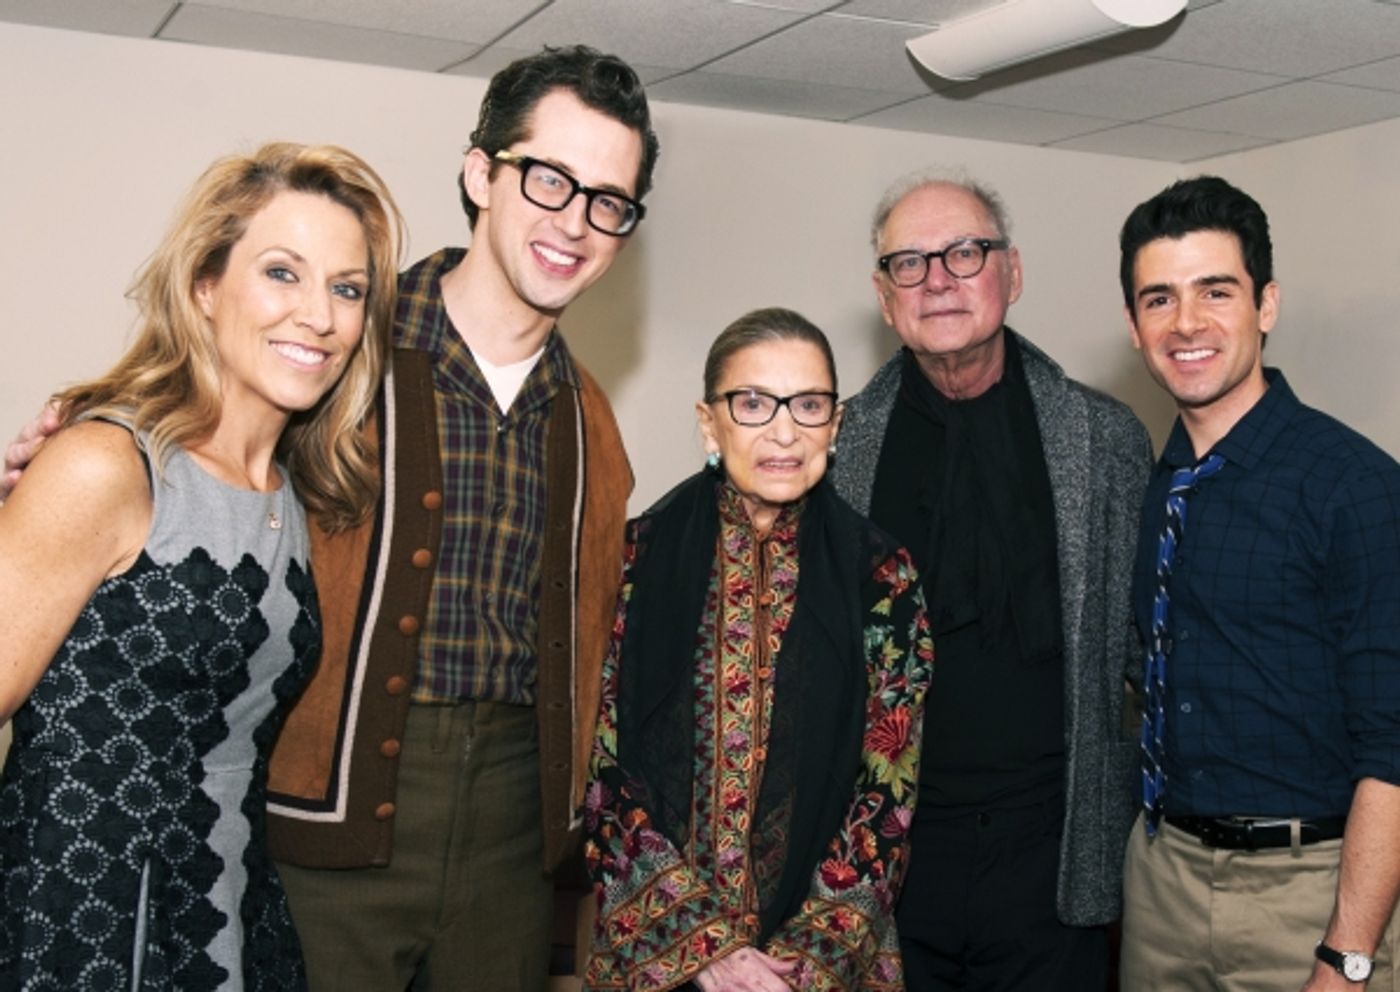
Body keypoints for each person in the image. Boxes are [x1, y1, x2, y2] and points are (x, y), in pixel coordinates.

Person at [0, 44, 656, 990]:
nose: (575, 221)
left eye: (609, 201)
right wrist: (68, 454)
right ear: (480, 172)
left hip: (501, 852)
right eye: (549, 178)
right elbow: (184, 445)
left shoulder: (592, 418)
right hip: (310, 838)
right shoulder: (339, 350)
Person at [0, 142, 402, 989]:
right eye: (283, 273)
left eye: (347, 289)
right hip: (88, 928)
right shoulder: (106, 464)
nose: (319, 316)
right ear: (205, 287)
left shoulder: (294, 498)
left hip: (233, 916)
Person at [829, 170, 1152, 991]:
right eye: (910, 263)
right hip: (885, 858)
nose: (937, 279)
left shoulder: (1106, 439)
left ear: (1011, 273)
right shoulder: (836, 449)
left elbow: (1148, 653)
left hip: (1053, 855)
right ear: (883, 293)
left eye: (965, 253)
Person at [582, 307, 933, 990]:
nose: (783, 430)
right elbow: (600, 769)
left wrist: (800, 965)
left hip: (823, 967)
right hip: (658, 955)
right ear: (709, 422)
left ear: (835, 424)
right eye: (751, 403)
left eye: (808, 405)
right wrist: (706, 947)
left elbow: (888, 789)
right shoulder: (633, 559)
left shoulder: (883, 577)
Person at [1117, 175, 1400, 991]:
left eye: (1217, 291)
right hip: (1163, 880)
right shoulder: (1158, 485)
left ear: (1266, 305)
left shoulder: (1355, 486)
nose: (1187, 324)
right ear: (1133, 326)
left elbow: (1392, 746)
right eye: (1159, 299)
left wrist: (1346, 958)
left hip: (1308, 893)